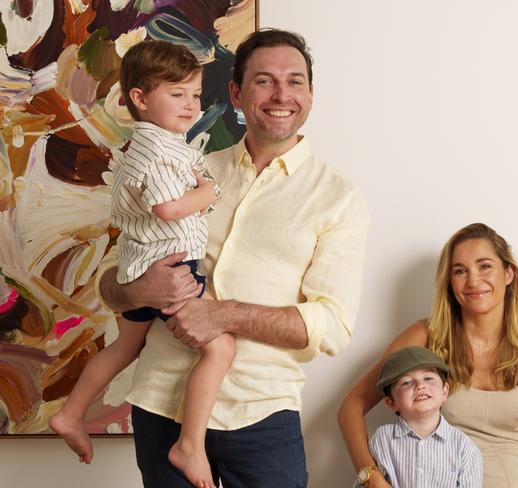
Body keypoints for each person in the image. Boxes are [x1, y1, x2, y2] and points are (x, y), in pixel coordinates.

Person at [94, 29, 371, 488]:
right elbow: (115, 279)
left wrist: (221, 315)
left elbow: (332, 326)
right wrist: (135, 290)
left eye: (295, 81)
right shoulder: (189, 168)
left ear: (311, 94)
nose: (282, 95)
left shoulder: (339, 200)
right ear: (237, 94)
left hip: (261, 411)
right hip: (162, 404)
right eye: (265, 81)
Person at [50, 41, 233, 488]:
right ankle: (189, 445)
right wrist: (211, 192)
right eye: (178, 94)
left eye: (194, 94)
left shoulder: (160, 143)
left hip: (140, 265)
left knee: (124, 347)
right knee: (221, 347)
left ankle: (72, 414)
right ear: (140, 97)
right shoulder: (156, 151)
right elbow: (169, 209)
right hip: (172, 268)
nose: (191, 104)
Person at [338, 223, 518, 488]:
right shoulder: (425, 337)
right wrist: (371, 477)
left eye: (485, 266)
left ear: (508, 273)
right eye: (460, 271)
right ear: (449, 282)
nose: (473, 280)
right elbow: (351, 407)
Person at [360, 346, 482, 488]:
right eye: (406, 382)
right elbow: (368, 483)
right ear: (391, 402)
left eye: (428, 378)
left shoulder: (465, 449)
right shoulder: (381, 440)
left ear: (444, 391)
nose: (420, 385)